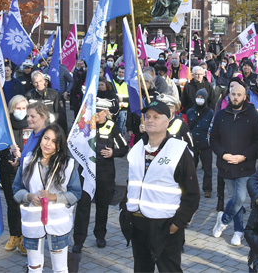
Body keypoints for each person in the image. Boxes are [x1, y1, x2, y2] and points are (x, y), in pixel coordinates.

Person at [121, 99, 199, 272]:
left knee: (169, 269)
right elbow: (132, 183)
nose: (150, 120)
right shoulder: (137, 148)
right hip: (138, 223)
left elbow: (192, 193)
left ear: (167, 121)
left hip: (165, 225)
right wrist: (124, 209)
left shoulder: (178, 150)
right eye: (147, 117)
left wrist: (177, 223)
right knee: (141, 268)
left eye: (156, 117)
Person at [12, 124, 82, 273]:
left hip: (58, 224)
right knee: (34, 267)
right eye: (46, 138)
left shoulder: (67, 164)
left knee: (60, 268)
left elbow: (76, 193)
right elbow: (16, 189)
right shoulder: (27, 161)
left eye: (53, 141)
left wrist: (54, 197)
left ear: (58, 145)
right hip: (33, 223)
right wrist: (28, 196)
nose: (48, 144)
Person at [210, 83, 258, 246]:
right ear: (229, 95)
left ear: (244, 97)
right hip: (226, 165)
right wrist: (223, 154)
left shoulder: (253, 114)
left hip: (245, 165)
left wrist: (244, 156)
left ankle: (224, 219)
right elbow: (213, 139)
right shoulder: (220, 115)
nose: (235, 97)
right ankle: (238, 231)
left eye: (239, 95)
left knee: (240, 198)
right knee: (235, 199)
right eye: (233, 94)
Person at [72, 98, 128, 253]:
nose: (95, 114)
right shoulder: (85, 125)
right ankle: (78, 240)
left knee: (102, 205)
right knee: (83, 206)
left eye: (98, 111)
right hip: (85, 171)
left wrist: (113, 153)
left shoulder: (111, 127)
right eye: (94, 111)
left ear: (105, 113)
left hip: (104, 172)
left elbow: (124, 148)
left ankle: (100, 235)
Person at [0, 95, 32, 255]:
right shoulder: (5, 126)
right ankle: (14, 235)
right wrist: (8, 152)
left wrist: (23, 155)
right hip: (8, 171)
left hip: (27, 171)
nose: (21, 111)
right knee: (12, 204)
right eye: (18, 108)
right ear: (11, 109)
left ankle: (26, 237)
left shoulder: (32, 126)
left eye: (23, 108)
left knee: (26, 205)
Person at [186, 88, 214, 198]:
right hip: (193, 144)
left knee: (208, 169)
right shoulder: (190, 112)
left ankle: (207, 189)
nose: (199, 99)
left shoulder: (210, 113)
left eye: (202, 98)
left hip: (206, 145)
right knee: (191, 169)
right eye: (198, 97)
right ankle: (190, 188)